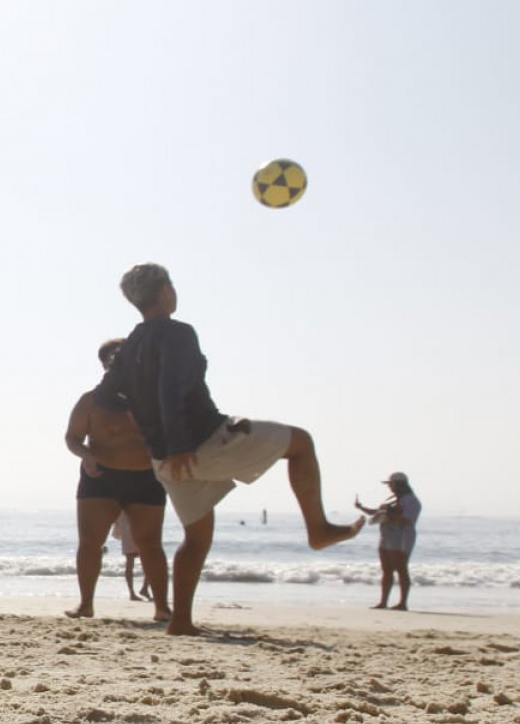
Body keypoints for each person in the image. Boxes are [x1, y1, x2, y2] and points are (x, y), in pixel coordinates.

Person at [95, 263, 363, 635]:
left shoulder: (130, 346)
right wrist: (178, 442)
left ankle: (181, 622)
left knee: (196, 537)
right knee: (301, 443)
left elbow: (106, 396)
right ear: (166, 291)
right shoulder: (177, 332)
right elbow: (169, 387)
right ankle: (318, 528)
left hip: (166, 459)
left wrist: (152, 429)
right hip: (199, 444)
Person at [64, 337, 168, 619]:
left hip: (146, 478)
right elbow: (72, 438)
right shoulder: (90, 400)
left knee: (150, 544)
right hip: (101, 478)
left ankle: (162, 607)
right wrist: (87, 455)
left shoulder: (155, 398)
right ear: (105, 364)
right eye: (116, 358)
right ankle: (86, 603)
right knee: (90, 543)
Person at [355, 473, 421, 610]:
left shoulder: (411, 500)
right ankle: (383, 602)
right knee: (386, 570)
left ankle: (403, 603)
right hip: (386, 536)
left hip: (401, 536)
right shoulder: (391, 499)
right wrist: (361, 508)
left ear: (399, 484)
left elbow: (408, 519)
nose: (390, 487)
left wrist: (388, 515)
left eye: (391, 484)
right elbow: (376, 512)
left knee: (401, 569)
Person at [114, 511, 150, 602]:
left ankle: (139, 590)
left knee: (145, 562)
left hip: (130, 528)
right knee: (148, 561)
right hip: (133, 527)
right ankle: (139, 590)